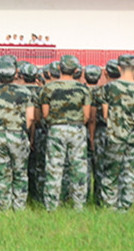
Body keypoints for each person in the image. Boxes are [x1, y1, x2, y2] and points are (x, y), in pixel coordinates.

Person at [0, 62, 35, 210]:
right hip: (18, 134)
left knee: (0, 173)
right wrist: (22, 130)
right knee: (20, 172)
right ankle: (19, 207)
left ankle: (3, 206)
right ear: (15, 74)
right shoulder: (25, 92)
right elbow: (30, 117)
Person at [39, 55, 91, 212]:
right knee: (79, 168)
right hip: (77, 130)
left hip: (56, 129)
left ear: (59, 68)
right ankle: (78, 205)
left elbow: (45, 114)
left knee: (54, 168)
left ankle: (51, 206)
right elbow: (86, 116)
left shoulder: (48, 88)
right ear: (75, 71)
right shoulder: (83, 89)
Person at [101, 55, 134, 211]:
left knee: (111, 173)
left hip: (115, 136)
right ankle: (124, 208)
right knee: (131, 174)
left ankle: (109, 206)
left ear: (119, 68)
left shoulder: (109, 88)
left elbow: (105, 115)